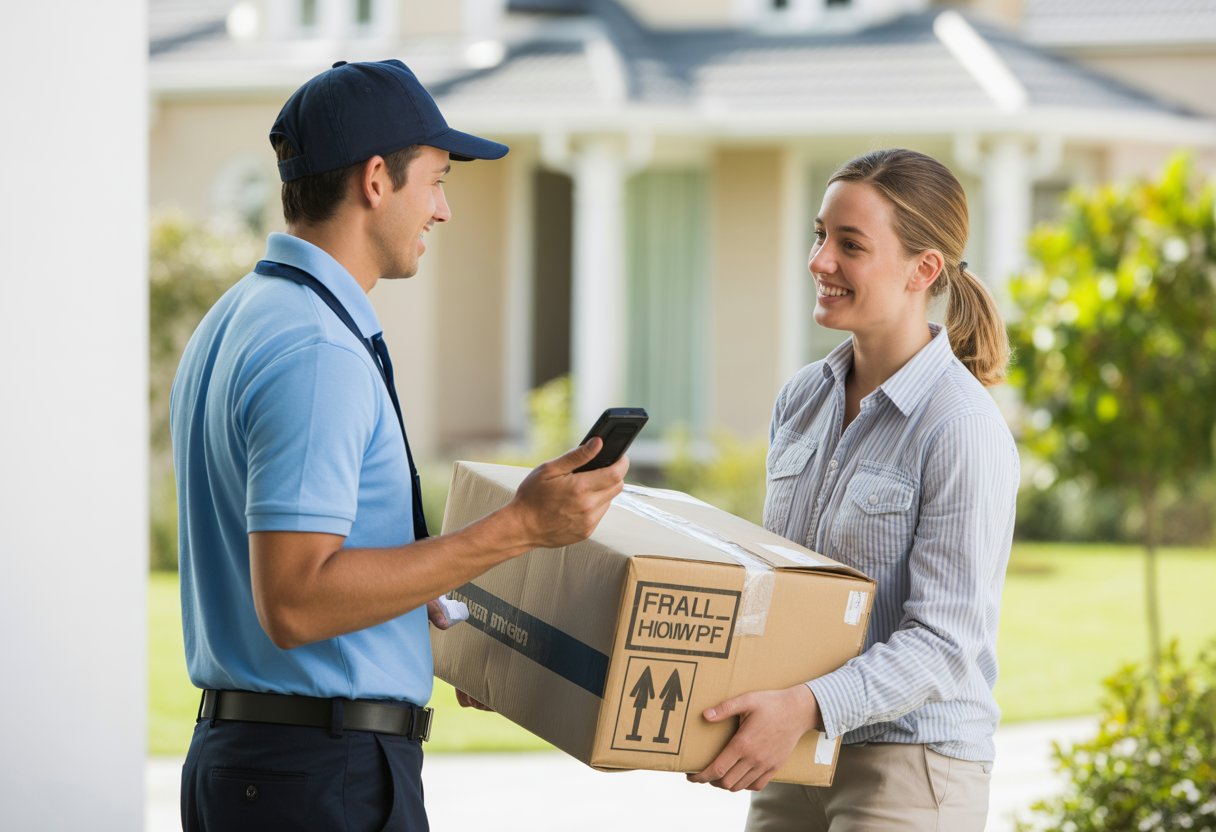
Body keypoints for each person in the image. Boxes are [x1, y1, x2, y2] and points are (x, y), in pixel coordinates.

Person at [170, 59, 628, 831]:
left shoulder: (241, 317)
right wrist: (517, 527)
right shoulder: (318, 349)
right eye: (437, 179)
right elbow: (295, 600)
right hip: (319, 778)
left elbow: (298, 577)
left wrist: (413, 611)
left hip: (268, 766)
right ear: (376, 179)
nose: (443, 210)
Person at [688, 148, 1019, 831]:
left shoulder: (959, 427)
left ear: (922, 270)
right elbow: (781, 586)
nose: (819, 262)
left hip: (912, 761)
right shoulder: (803, 398)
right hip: (797, 748)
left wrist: (807, 704)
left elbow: (945, 642)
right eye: (819, 236)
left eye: (851, 245)